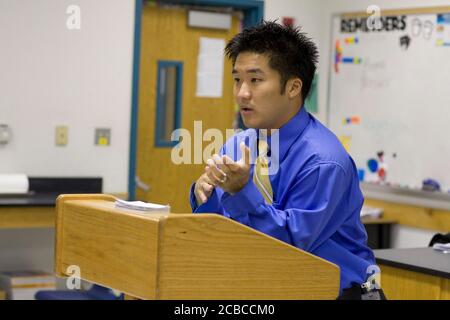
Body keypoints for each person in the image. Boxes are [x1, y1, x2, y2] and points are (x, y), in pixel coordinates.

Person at [189, 21, 385, 300]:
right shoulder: (239, 144)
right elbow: (227, 230)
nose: (242, 92)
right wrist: (204, 193)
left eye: (255, 80)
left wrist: (241, 192)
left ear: (293, 87)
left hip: (337, 293)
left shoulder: (323, 162)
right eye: (237, 79)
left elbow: (289, 247)